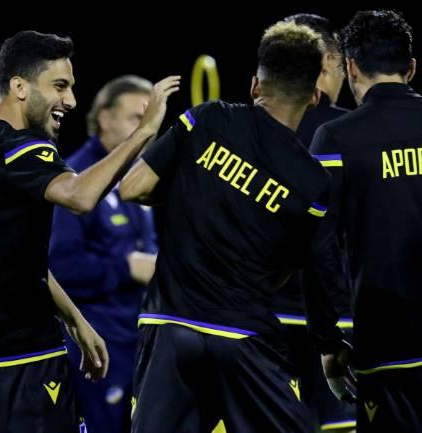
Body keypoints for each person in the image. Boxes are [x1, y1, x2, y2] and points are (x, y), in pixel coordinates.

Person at [0, 30, 179, 433]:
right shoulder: (25, 150)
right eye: (60, 86)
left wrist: (75, 321)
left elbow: (16, 259)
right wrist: (144, 131)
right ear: (20, 87)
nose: (71, 100)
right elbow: (79, 197)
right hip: (24, 359)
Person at [120, 22, 344, 433]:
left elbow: (132, 188)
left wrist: (194, 192)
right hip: (243, 335)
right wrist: (330, 345)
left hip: (169, 324)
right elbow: (293, 274)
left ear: (255, 85)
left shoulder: (208, 118)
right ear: (314, 97)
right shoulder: (314, 183)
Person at [307, 10, 422, 432]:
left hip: (387, 340)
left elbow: (316, 247)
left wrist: (328, 342)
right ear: (411, 68)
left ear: (351, 67)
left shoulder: (336, 138)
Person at [49, 75, 157, 433]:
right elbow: (59, 267)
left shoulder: (141, 177)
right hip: (96, 346)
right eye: (137, 118)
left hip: (139, 340)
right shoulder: (73, 180)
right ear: (105, 118)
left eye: (152, 119)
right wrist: (126, 267)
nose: (147, 129)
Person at [271, 13, 356, 433]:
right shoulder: (347, 132)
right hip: (336, 321)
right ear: (327, 62)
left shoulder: (248, 128)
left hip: (263, 317)